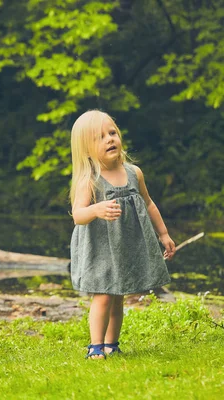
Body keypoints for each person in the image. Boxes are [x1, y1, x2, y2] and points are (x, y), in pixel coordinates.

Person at [69, 110, 176, 360]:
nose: (109, 139)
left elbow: (149, 204)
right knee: (104, 296)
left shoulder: (133, 173)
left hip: (125, 246)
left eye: (112, 133)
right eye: (100, 137)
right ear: (86, 149)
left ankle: (111, 344)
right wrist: (96, 209)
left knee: (118, 297)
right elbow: (78, 215)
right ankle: (95, 346)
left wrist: (164, 234)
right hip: (100, 249)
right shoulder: (90, 180)